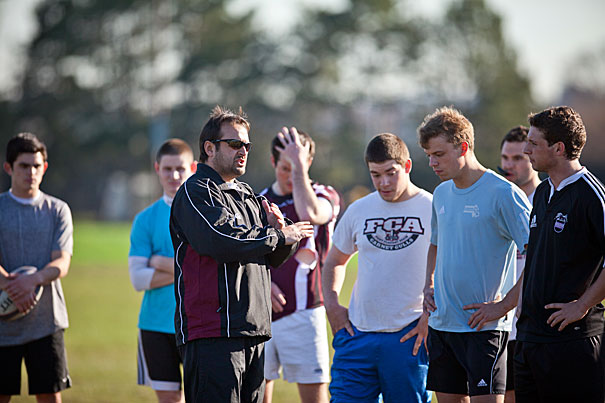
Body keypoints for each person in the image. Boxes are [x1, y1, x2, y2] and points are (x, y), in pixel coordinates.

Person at [169, 106, 314, 403]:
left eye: (247, 145)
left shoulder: (248, 194)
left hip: (253, 331)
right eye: (235, 143)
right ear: (209, 148)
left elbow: (269, 257)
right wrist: (277, 235)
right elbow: (221, 240)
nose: (243, 151)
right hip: (213, 334)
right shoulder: (195, 190)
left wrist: (282, 234)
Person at [418, 107, 531, 403]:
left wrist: (504, 305)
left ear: (463, 147)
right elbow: (435, 244)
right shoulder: (441, 193)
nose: (432, 163)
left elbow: (538, 256)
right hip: (442, 326)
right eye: (429, 155)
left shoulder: (504, 193)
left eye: (439, 154)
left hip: (484, 329)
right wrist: (428, 284)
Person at [322, 133, 432, 403]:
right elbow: (334, 261)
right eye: (376, 175)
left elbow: (450, 270)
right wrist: (332, 306)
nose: (383, 182)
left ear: (407, 166)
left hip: (409, 335)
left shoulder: (433, 207)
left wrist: (431, 319)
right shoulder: (359, 209)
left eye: (391, 173)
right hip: (357, 335)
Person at [514, 106, 605, 402]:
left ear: (559, 148)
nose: (526, 150)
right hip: (530, 339)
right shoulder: (542, 192)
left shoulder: (592, 195)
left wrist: (582, 305)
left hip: (572, 341)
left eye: (534, 143)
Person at [259, 127, 340, 403]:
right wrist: (264, 284)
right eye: (285, 167)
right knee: (255, 394)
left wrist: (298, 168)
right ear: (273, 162)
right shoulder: (259, 202)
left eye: (298, 166)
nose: (291, 175)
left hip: (306, 313)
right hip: (262, 314)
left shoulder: (324, 194)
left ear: (308, 163)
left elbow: (310, 213)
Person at [0, 133, 73, 403]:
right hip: (2, 324)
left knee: (49, 395)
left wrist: (31, 281)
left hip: (46, 322)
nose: (31, 172)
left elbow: (62, 262)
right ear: (8, 167)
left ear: (44, 167)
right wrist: (11, 286)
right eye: (23, 165)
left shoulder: (58, 210)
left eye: (36, 166)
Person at [129, 139, 196, 403]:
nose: (174, 175)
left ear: (193, 168)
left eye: (180, 168)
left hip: (197, 326)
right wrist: (188, 270)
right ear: (157, 169)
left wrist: (159, 262)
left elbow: (209, 269)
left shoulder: (204, 215)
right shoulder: (144, 219)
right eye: (167, 169)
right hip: (154, 325)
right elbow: (138, 279)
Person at [497, 126, 540, 403]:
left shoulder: (547, 200)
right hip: (498, 323)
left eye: (518, 158)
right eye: (505, 158)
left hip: (534, 324)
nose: (509, 165)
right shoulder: (497, 199)